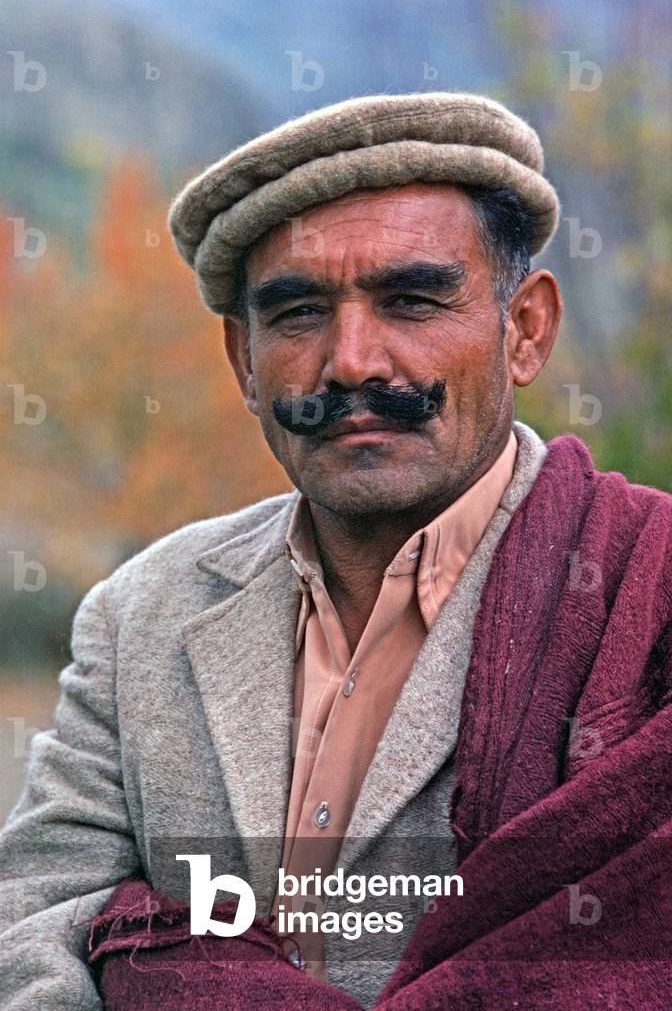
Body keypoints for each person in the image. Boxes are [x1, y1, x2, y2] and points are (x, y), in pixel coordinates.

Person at [1, 92, 670, 1011]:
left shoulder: (646, 591)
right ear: (243, 359)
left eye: (412, 299)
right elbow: (38, 914)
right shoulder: (140, 616)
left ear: (526, 330)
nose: (352, 360)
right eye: (299, 312)